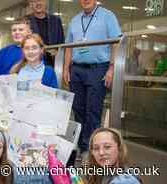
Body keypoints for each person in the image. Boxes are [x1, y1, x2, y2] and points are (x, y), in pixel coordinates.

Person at [63, 0, 122, 158]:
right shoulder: (75, 20)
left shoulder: (107, 16)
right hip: (76, 69)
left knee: (93, 110)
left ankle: (90, 150)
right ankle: (82, 145)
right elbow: (68, 46)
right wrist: (65, 69)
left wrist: (111, 67)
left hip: (98, 69)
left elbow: (115, 43)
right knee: (78, 109)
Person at [26, 0, 65, 67]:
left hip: (53, 63)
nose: (38, 3)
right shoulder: (26, 21)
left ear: (45, 2)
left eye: (40, 0)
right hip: (32, 63)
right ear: (30, 4)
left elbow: (61, 42)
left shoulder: (56, 20)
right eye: (35, 1)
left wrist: (57, 52)